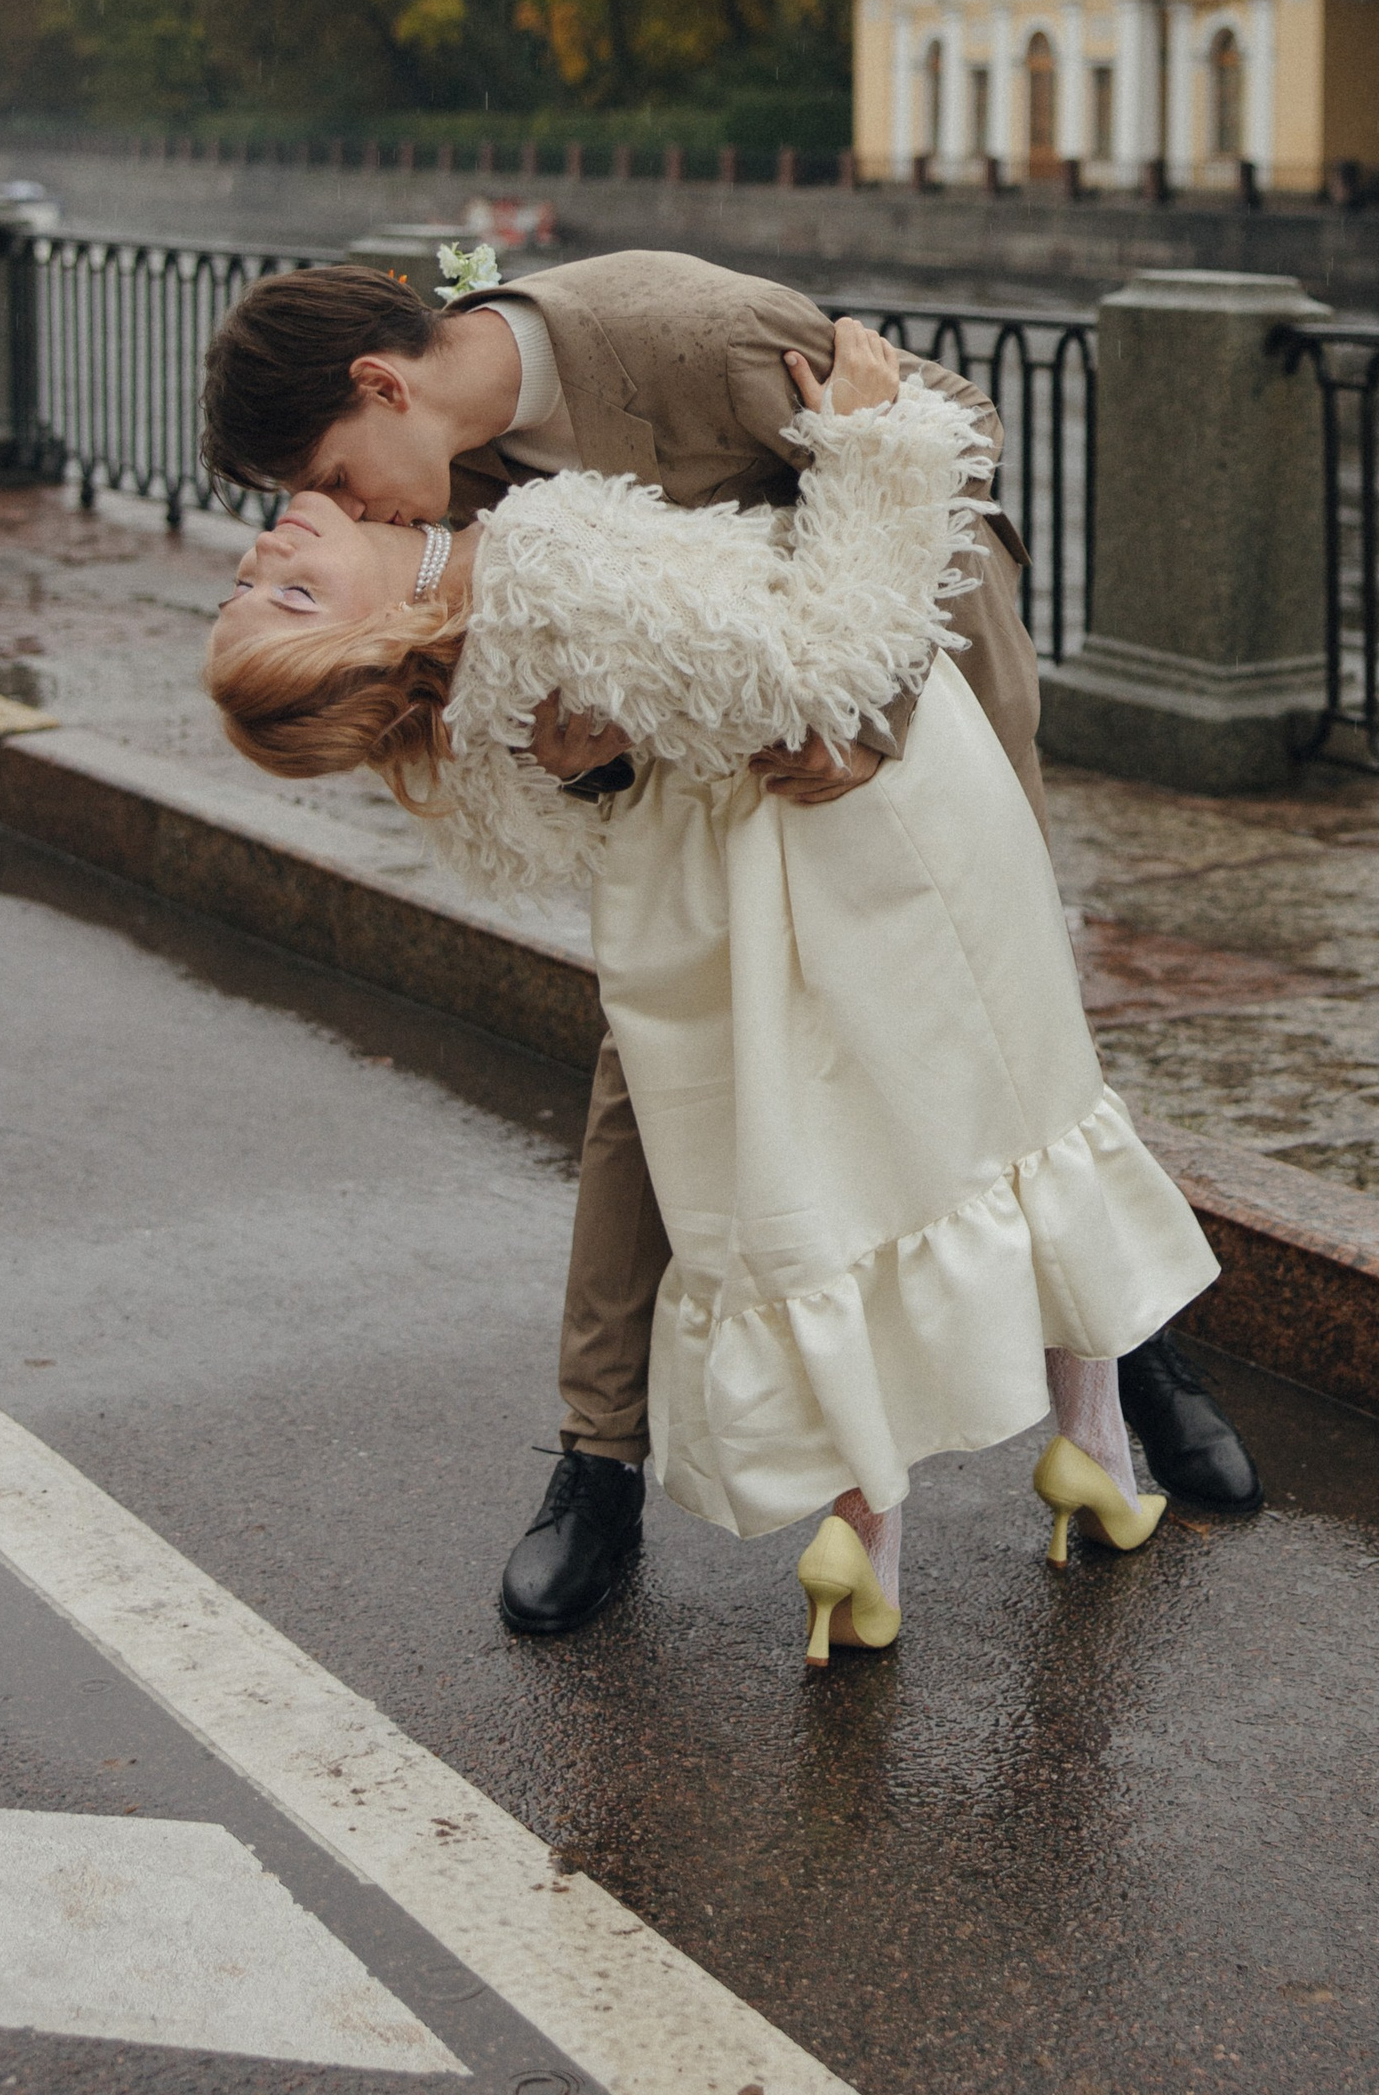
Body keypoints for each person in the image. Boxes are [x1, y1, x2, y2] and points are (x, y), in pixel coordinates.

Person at [199, 248, 1259, 1634]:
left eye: (336, 478)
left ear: (382, 385)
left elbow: (944, 427)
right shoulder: (442, 480)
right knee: (671, 1076)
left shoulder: (678, 330)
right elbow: (518, 691)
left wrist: (867, 717)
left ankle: (1123, 1354)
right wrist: (586, 757)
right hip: (714, 795)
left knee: (1007, 1038)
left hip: (919, 681)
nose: (342, 511)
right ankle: (602, 1464)